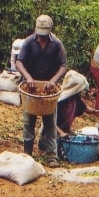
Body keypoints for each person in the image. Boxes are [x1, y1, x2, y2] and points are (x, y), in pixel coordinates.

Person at [15, 14, 67, 168]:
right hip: (31, 87)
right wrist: (28, 77)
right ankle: (27, 154)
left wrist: (53, 81)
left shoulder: (57, 44)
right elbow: (19, 62)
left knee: (50, 122)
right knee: (28, 121)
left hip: (48, 88)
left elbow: (63, 65)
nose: (42, 38)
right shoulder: (29, 42)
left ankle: (52, 156)